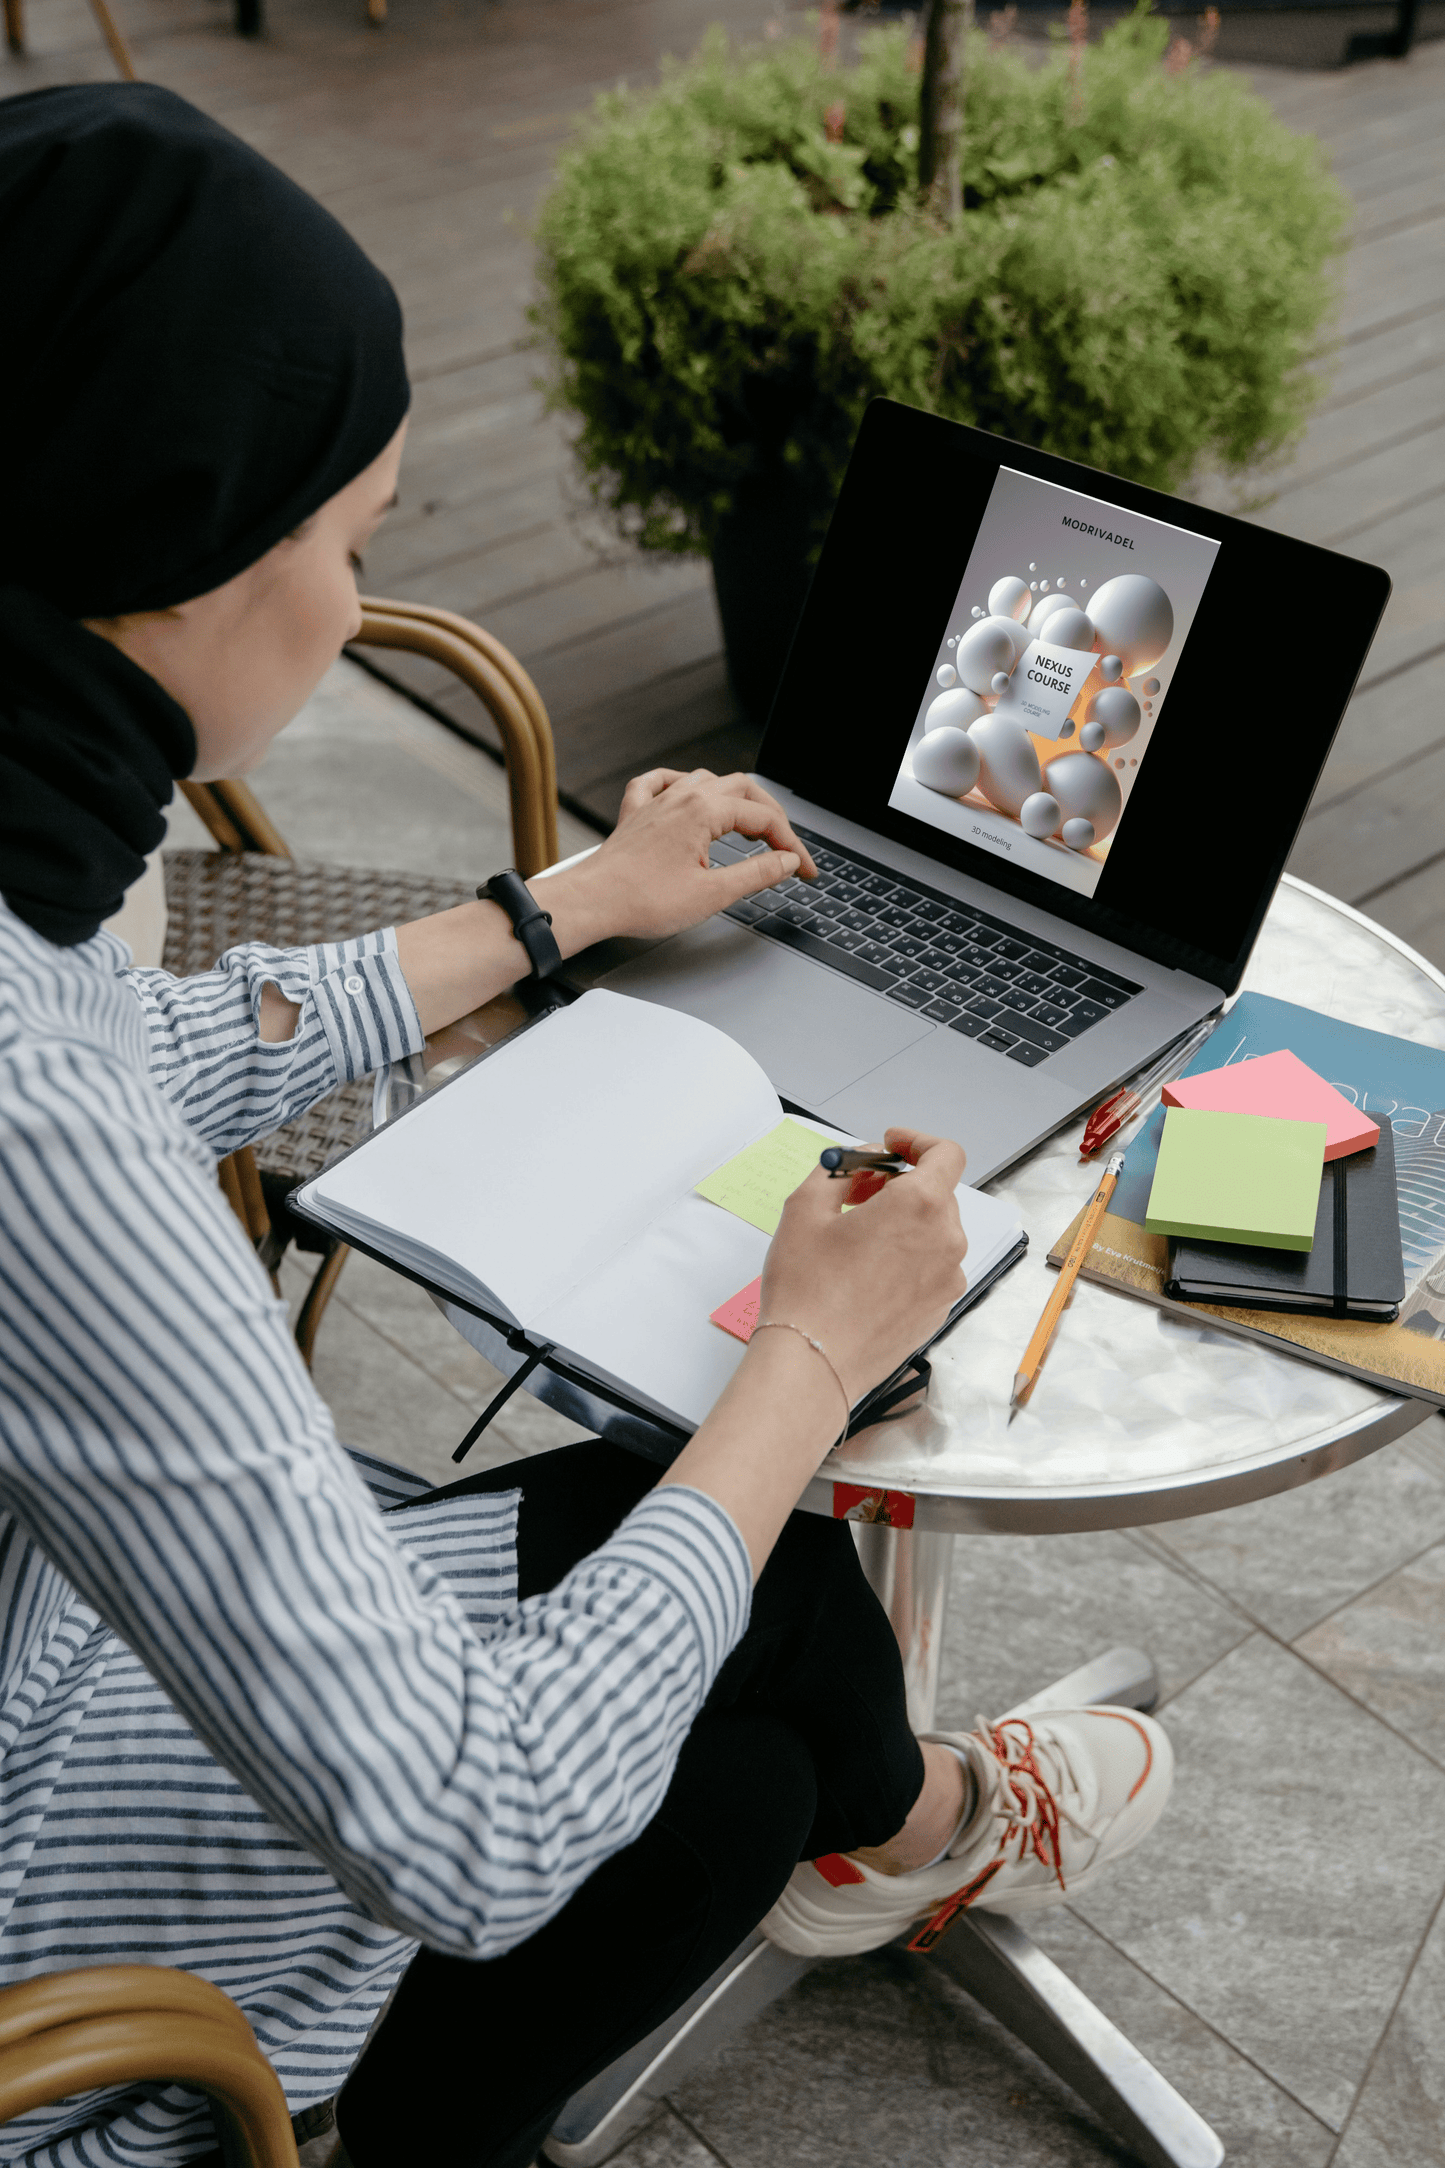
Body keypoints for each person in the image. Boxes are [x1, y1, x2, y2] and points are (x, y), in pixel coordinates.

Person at [0, 82, 1173, 2168]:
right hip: (56, 1903)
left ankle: (898, 1828)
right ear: (165, 541)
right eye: (346, 542)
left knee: (739, 1706)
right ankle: (923, 1827)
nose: (357, 616)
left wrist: (559, 911)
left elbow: (128, 1059)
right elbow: (476, 1824)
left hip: (45, 1631)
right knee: (715, 1668)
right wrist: (811, 1349)